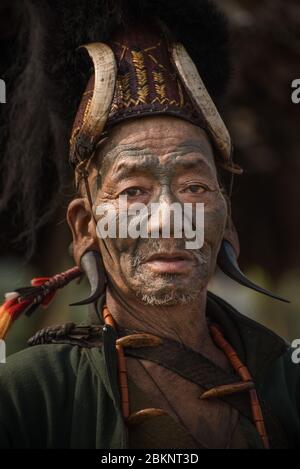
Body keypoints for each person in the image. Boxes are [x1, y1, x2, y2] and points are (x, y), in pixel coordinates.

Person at [0, 0, 299, 449]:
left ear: (227, 219)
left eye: (195, 187)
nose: (168, 219)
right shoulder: (29, 395)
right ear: (85, 226)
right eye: (132, 191)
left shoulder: (286, 382)